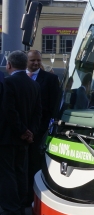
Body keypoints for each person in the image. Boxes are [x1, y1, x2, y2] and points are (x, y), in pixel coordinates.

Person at [0, 51, 42, 215]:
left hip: (9, 137)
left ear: (9, 65)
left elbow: (9, 111)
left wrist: (22, 130)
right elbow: (37, 112)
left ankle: (12, 208)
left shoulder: (8, 83)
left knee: (7, 173)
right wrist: (30, 132)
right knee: (21, 171)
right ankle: (21, 204)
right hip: (26, 138)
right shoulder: (34, 84)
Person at [26, 50, 62, 204]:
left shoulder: (50, 79)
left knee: (35, 164)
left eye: (38, 60)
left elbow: (54, 106)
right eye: (32, 60)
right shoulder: (18, 78)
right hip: (21, 131)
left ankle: (33, 196)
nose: (36, 63)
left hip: (40, 130)